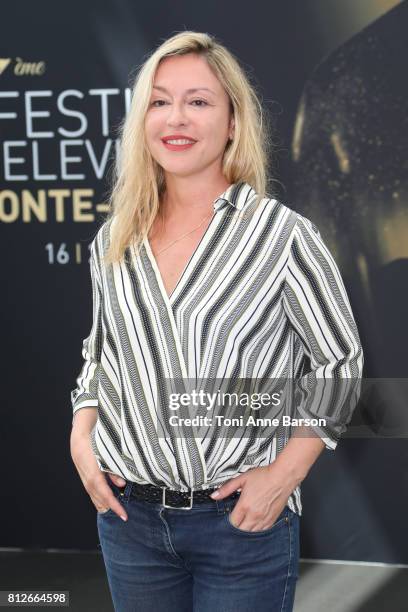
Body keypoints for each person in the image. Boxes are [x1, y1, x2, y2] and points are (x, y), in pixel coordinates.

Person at [70, 31, 364, 612]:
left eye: (198, 101)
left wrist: (285, 473)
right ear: (141, 120)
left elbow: (340, 363)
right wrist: (81, 434)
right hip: (129, 522)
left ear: (233, 122)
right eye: (159, 101)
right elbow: (100, 354)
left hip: (240, 525)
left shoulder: (280, 235)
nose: (176, 118)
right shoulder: (115, 239)